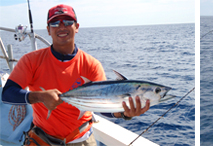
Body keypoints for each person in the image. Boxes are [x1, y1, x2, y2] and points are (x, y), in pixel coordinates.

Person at [1, 4, 149, 146]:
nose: (61, 27)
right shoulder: (31, 60)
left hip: (81, 140)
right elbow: (7, 94)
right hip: (42, 140)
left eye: (67, 22)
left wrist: (124, 113)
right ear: (48, 30)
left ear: (76, 27)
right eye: (55, 23)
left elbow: (103, 107)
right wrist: (40, 97)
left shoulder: (91, 65)